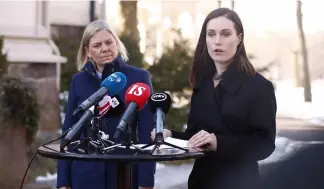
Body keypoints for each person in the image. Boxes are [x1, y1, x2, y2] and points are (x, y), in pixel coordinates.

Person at [151, 8, 276, 189]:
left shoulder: (259, 87)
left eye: (225, 34)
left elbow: (264, 145)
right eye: (211, 34)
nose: (217, 41)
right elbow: (194, 137)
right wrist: (170, 136)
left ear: (239, 38)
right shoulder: (203, 84)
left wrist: (219, 143)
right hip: (201, 182)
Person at [57, 20, 155, 189]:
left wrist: (145, 181)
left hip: (123, 173)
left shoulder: (139, 77)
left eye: (109, 42)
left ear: (116, 43)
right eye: (97, 45)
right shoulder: (78, 81)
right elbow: (70, 130)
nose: (104, 48)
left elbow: (148, 131)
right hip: (84, 175)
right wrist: (63, 181)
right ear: (87, 51)